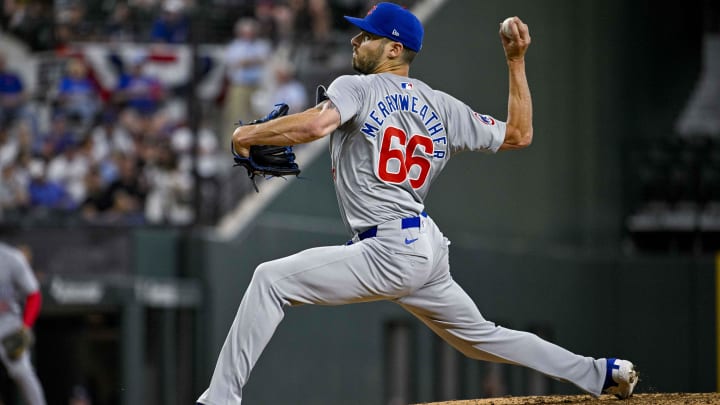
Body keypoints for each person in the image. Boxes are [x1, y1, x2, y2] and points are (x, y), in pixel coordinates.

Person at [196, 3, 639, 404]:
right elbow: (519, 133)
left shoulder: (357, 85)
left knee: (269, 280)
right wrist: (516, 61)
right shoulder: (441, 105)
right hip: (424, 247)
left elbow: (316, 126)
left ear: (393, 48)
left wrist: (245, 134)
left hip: (387, 247)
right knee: (481, 337)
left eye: (366, 35)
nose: (356, 40)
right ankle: (600, 373)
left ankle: (219, 401)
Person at [0, 242, 46, 405]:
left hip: (7, 323)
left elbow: (34, 294)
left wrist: (25, 327)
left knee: (22, 372)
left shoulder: (11, 258)